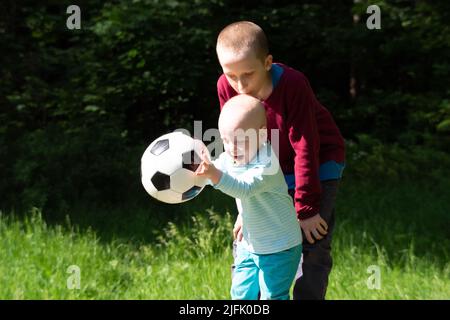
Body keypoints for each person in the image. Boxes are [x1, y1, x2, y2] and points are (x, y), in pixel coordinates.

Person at [215, 21, 346, 300]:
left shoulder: (293, 84)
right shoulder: (226, 87)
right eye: (231, 76)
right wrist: (245, 209)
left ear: (267, 62)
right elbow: (237, 151)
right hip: (265, 167)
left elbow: (306, 147)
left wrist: (307, 209)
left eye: (248, 74)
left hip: (316, 164)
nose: (239, 85)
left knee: (312, 241)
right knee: (249, 242)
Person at [195, 94, 302, 300]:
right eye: (226, 141)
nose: (231, 148)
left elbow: (243, 188)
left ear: (261, 136)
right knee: (241, 294)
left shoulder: (267, 163)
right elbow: (212, 173)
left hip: (280, 246)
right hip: (250, 243)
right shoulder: (232, 156)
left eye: (239, 141)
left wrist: (214, 175)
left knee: (272, 296)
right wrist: (194, 173)